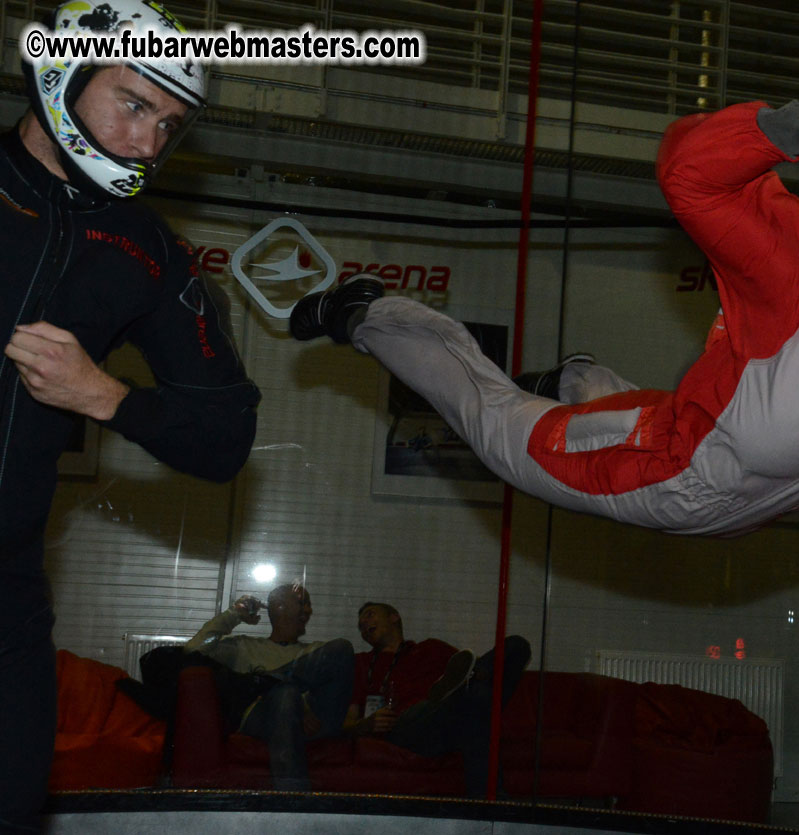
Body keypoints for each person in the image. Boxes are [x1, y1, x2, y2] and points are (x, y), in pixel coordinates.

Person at [288, 98, 799, 538]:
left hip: (734, 502)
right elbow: (692, 171)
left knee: (641, 401)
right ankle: (368, 311)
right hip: (653, 474)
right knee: (494, 424)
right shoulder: (795, 291)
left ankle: (583, 377)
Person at [0, 2, 260, 829]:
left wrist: (103, 394)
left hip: (6, 596)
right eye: (134, 104)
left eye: (169, 125)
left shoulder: (144, 248)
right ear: (64, 74)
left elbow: (226, 437)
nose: (150, 144)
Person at [345, 602, 532, 796]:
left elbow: (466, 666)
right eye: (360, 626)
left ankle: (488, 809)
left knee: (516, 646)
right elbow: (348, 721)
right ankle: (457, 695)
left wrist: (479, 675)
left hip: (454, 724)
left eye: (370, 615)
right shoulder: (362, 663)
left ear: (394, 617)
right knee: (473, 704)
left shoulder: (432, 648)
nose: (364, 625)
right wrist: (365, 725)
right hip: (407, 727)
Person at [184, 583, 354, 791]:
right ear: (279, 607)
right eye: (302, 603)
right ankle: (294, 803)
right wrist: (234, 614)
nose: (309, 610)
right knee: (285, 694)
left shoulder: (315, 653)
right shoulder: (244, 647)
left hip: (313, 721)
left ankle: (271, 681)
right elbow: (191, 652)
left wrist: (297, 702)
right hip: (261, 719)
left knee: (342, 648)